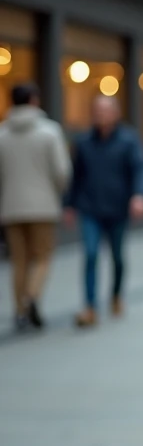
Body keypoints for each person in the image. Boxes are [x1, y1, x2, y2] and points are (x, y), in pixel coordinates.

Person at [64, 95, 143, 327]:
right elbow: (76, 176)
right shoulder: (83, 142)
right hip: (90, 207)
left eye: (105, 110)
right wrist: (70, 204)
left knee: (117, 256)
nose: (101, 115)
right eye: (97, 110)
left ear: (116, 113)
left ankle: (115, 294)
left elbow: (140, 169)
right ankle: (90, 306)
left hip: (117, 207)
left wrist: (139, 195)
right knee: (91, 254)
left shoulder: (128, 141)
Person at [0, 83, 72, 331]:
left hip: (10, 207)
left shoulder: (2, 133)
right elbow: (62, 172)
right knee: (42, 257)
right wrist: (60, 194)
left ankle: (19, 310)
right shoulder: (49, 132)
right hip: (43, 206)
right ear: (33, 100)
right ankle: (31, 296)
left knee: (18, 261)